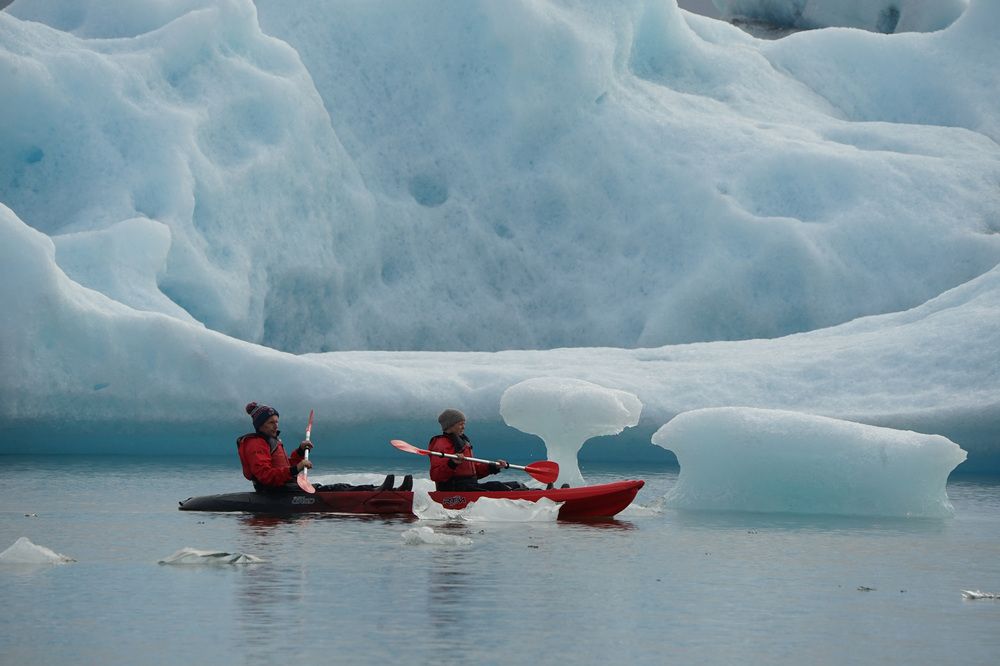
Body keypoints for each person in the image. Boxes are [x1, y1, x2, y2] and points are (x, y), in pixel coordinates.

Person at [238, 402, 411, 492]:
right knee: (335, 489)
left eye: (277, 421)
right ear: (260, 425)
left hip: (286, 487)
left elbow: (284, 467)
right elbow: (266, 476)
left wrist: (300, 452)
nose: (276, 426)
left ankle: (386, 491)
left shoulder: (271, 440)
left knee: (339, 487)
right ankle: (378, 492)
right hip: (275, 492)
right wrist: (296, 469)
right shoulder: (256, 444)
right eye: (271, 422)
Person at [428, 409, 526, 491]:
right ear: (450, 425)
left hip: (468, 486)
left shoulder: (463, 442)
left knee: (517, 485)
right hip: (453, 490)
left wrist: (493, 467)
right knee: (498, 487)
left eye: (464, 424)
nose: (463, 427)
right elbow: (436, 475)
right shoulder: (441, 444)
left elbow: (473, 473)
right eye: (460, 424)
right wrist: (452, 463)